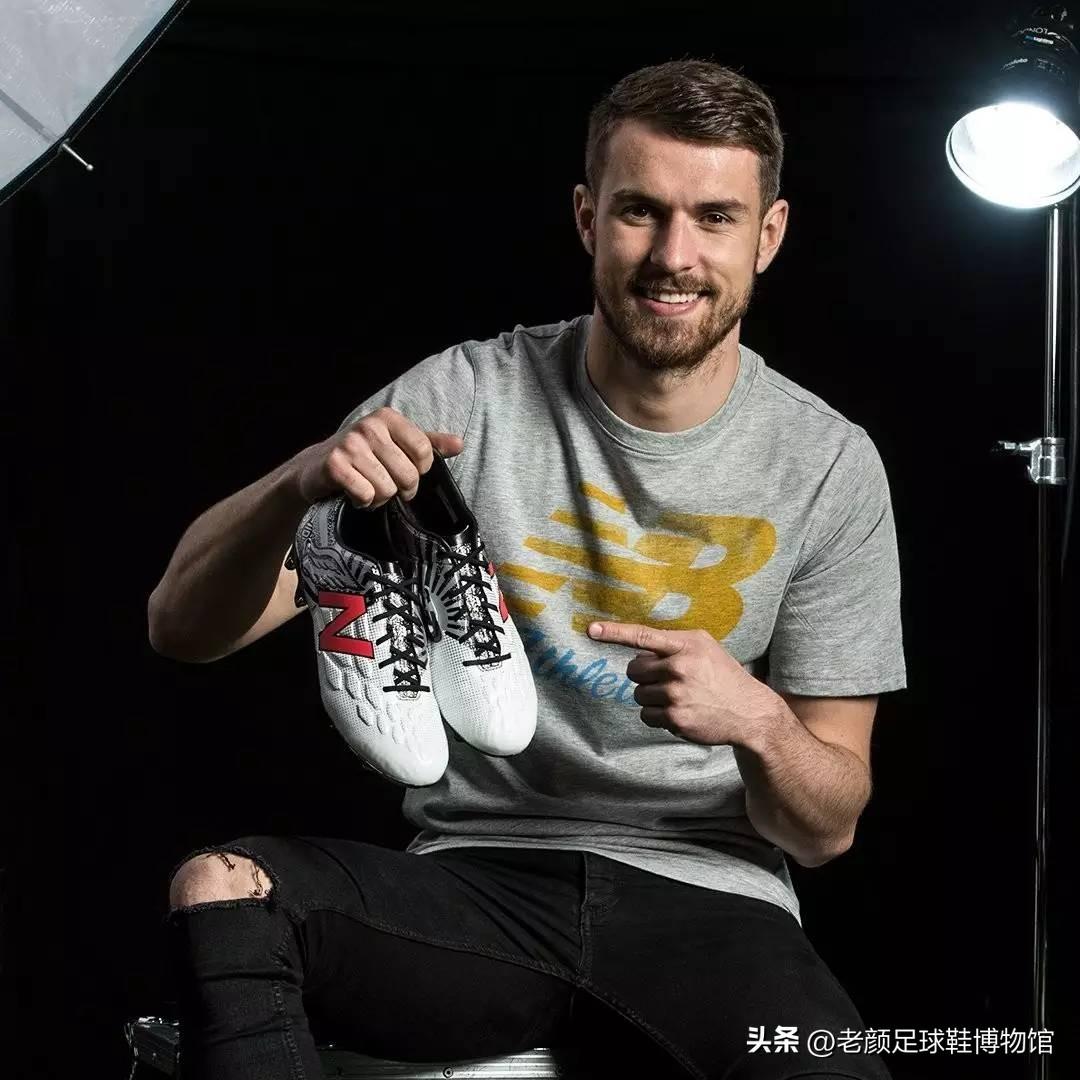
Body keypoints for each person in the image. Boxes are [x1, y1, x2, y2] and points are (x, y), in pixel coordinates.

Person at [150, 58, 906, 1080]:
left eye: (715, 218)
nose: (674, 256)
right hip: (480, 884)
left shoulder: (828, 462)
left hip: (717, 906)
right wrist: (298, 480)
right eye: (641, 211)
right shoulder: (467, 395)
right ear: (589, 218)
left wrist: (759, 723)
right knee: (220, 891)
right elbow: (181, 627)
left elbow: (825, 830)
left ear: (767, 236)